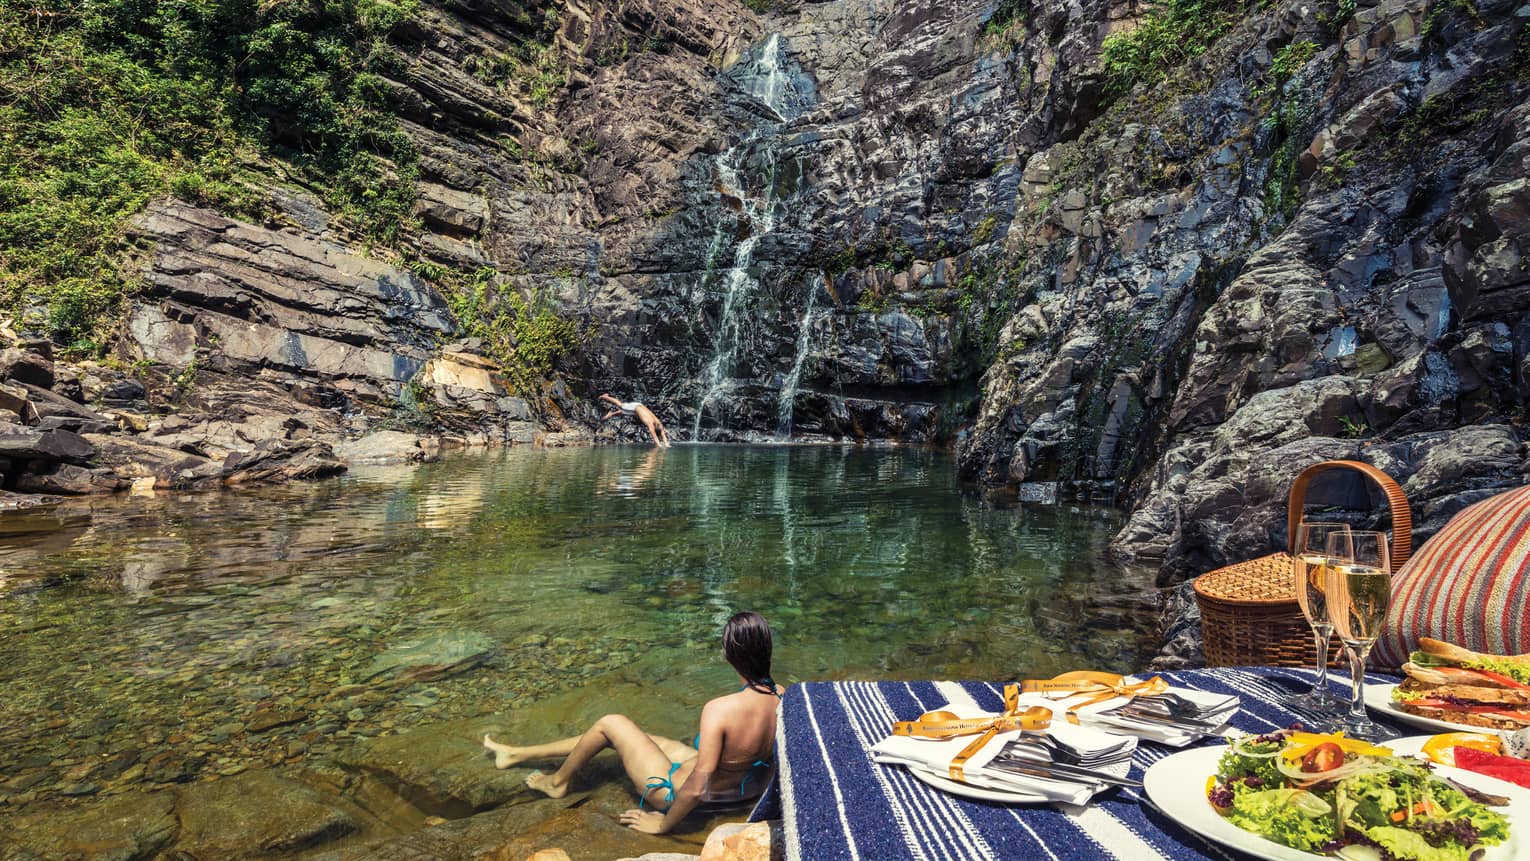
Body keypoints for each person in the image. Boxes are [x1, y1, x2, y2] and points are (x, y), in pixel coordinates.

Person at [482, 612, 783, 835]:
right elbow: (776, 758)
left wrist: (663, 823)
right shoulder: (783, 696)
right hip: (740, 788)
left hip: (676, 792)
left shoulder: (719, 710)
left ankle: (557, 783)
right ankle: (517, 753)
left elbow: (697, 786)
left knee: (611, 723)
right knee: (642, 737)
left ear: (729, 654)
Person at [599, 393, 670, 448]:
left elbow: (663, 434)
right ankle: (605, 397)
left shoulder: (659, 424)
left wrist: (666, 444)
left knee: (625, 412)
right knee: (620, 405)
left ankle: (611, 414)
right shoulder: (650, 423)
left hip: (638, 409)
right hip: (635, 407)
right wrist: (658, 444)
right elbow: (653, 434)